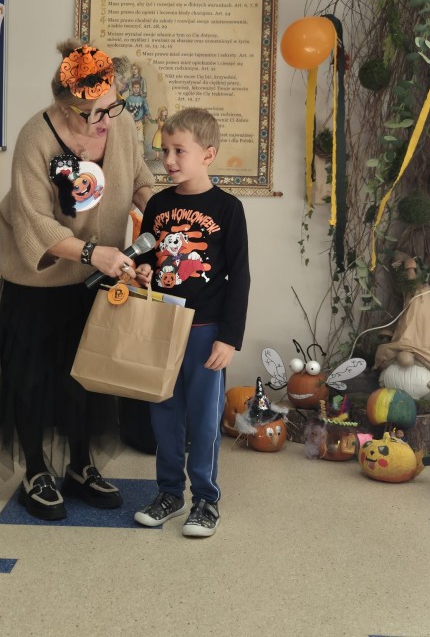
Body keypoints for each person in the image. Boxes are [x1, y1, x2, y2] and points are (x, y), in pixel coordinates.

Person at [0, 41, 154, 522]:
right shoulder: (36, 137)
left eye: (112, 107)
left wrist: (164, 218)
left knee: (88, 378)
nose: (106, 121)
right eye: (92, 114)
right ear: (63, 106)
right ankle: (36, 472)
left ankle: (80, 466)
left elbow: (140, 179)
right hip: (39, 282)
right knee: (32, 380)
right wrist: (95, 252)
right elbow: (35, 222)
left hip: (97, 277)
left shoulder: (120, 124)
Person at [132, 108, 250, 537]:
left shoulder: (228, 209)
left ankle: (205, 500)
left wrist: (229, 338)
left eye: (179, 151)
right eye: (165, 150)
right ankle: (169, 493)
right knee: (164, 417)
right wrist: (143, 270)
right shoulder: (158, 205)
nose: (168, 160)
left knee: (203, 420)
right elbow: (146, 258)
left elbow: (240, 277)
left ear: (208, 155)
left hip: (206, 332)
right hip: (162, 327)